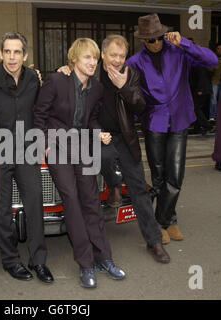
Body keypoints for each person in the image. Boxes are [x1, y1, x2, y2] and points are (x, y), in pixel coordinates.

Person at [57, 35, 170, 262]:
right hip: (96, 135)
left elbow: (140, 104)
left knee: (139, 188)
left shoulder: (132, 74)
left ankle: (154, 241)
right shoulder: (91, 72)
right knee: (106, 158)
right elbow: (79, 100)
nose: (118, 60)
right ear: (103, 55)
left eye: (122, 56)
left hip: (125, 137)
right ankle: (115, 186)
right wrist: (65, 70)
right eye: (113, 55)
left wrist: (124, 87)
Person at [35, 38, 126, 288]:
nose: (92, 62)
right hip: (56, 146)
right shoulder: (56, 80)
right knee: (72, 202)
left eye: (95, 58)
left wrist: (98, 133)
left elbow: (92, 119)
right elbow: (40, 114)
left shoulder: (96, 88)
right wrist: (43, 143)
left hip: (81, 146)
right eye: (87, 57)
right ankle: (85, 263)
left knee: (92, 201)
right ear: (73, 58)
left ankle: (104, 257)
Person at [126, 13, 218, 244]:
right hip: (154, 122)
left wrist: (185, 42)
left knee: (175, 175)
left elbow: (212, 61)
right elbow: (127, 93)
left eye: (158, 38)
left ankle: (162, 221)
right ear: (143, 41)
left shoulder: (179, 51)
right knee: (159, 177)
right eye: (150, 40)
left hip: (179, 119)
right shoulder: (134, 62)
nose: (156, 43)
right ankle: (169, 219)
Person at [0, 32, 53, 284]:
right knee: (1, 209)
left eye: (17, 52)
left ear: (25, 55)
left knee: (34, 203)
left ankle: (38, 261)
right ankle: (10, 260)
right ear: (0, 53)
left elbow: (44, 108)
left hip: (27, 149)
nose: (12, 56)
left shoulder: (34, 79)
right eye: (7, 51)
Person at [187, 38, 212, 135]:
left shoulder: (196, 57)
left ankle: (207, 126)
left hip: (201, 88)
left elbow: (202, 74)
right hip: (196, 88)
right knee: (195, 108)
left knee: (195, 108)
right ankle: (197, 128)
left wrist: (200, 89)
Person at [209, 43, 221, 121]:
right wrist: (216, 66)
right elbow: (209, 68)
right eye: (218, 48)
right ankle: (212, 116)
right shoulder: (213, 56)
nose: (220, 50)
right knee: (213, 99)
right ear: (216, 49)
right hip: (215, 80)